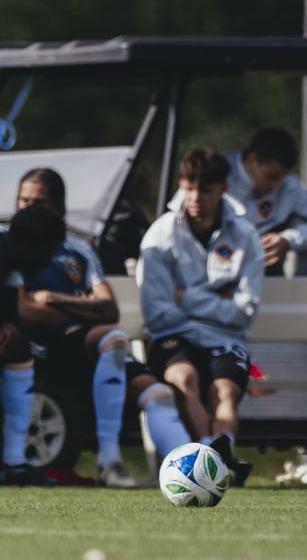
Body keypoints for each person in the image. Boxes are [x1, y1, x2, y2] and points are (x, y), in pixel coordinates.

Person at [11, 169, 192, 487]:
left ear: (59, 208)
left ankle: (192, 473)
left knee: (157, 391)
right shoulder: (11, 244)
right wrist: (81, 310)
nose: (29, 208)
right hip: (35, 348)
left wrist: (53, 299)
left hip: (82, 346)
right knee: (110, 338)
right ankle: (109, 459)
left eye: (37, 202)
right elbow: (24, 311)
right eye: (23, 201)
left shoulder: (77, 251)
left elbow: (109, 310)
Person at [137, 148, 263, 485]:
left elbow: (245, 312)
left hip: (226, 337)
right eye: (189, 188)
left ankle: (218, 455)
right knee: (184, 379)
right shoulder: (160, 235)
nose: (196, 198)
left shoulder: (245, 235)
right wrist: (216, 298)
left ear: (223, 188)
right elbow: (158, 312)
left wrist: (188, 296)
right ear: (181, 184)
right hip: (173, 335)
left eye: (205, 190)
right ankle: (214, 460)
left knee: (224, 391)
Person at [172, 128, 307, 275]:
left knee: (301, 221)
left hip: (265, 276)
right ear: (252, 159)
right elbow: (176, 220)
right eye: (271, 177)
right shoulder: (214, 173)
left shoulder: (289, 187)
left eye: (281, 178)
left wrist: (289, 239)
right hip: (208, 268)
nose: (276, 186)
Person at [0, 205, 58, 486]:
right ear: (34, 245)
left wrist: (8, 326)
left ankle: (14, 461)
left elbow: (9, 310)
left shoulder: (11, 259)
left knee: (18, 349)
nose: (49, 261)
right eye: (48, 252)